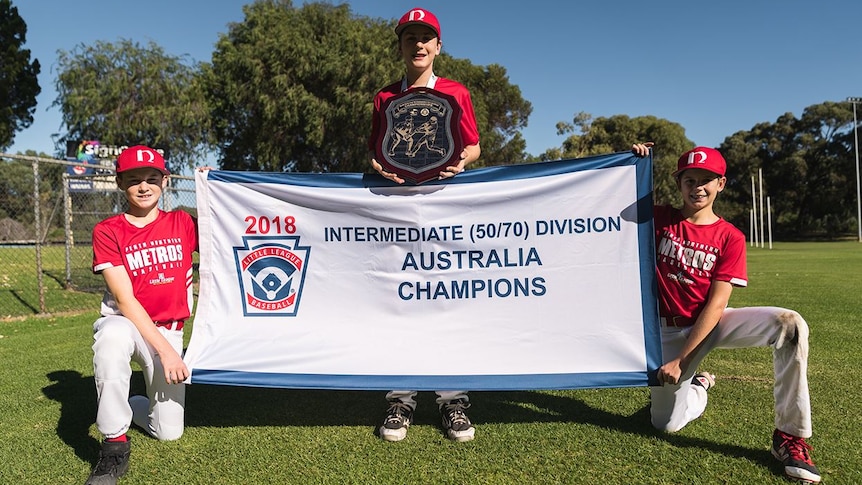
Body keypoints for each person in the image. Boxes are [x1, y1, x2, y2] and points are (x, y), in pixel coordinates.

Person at [632, 143, 821, 483]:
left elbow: (717, 304)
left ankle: (791, 436)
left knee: (789, 325)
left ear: (721, 184)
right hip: (667, 331)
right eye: (690, 180)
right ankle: (698, 388)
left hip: (712, 322)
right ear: (679, 183)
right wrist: (632, 163)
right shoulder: (658, 218)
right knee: (665, 424)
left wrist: (682, 362)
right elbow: (609, 205)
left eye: (707, 180)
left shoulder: (730, 236)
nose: (697, 187)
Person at [367, 7, 481, 442]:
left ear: (437, 46)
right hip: (397, 211)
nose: (418, 44)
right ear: (400, 46)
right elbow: (376, 150)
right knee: (401, 299)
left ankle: (453, 399)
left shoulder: (455, 91)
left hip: (444, 210)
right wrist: (376, 163)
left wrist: (459, 162)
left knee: (444, 297)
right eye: (409, 37)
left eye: (426, 37)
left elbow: (473, 146)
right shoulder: (384, 97)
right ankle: (401, 397)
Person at [86, 146, 199, 484]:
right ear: (121, 182)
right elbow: (125, 299)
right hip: (128, 322)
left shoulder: (183, 222)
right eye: (134, 180)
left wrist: (213, 184)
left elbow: (227, 227)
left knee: (168, 432)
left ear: (165, 180)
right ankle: (113, 445)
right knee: (111, 337)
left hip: (170, 329)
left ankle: (135, 401)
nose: (144, 186)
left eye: (152, 178)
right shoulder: (108, 230)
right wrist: (166, 354)